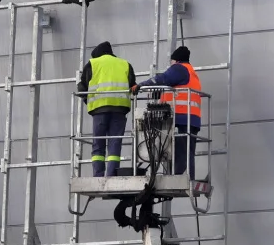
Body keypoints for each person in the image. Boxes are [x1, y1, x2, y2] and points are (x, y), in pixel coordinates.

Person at [134, 45, 202, 179]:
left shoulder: (179, 68)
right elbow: (172, 87)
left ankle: (175, 177)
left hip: (181, 117)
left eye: (171, 61)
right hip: (191, 118)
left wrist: (142, 85)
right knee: (187, 150)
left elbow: (163, 79)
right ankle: (188, 177)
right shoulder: (191, 72)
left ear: (176, 60)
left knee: (178, 150)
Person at [76, 41, 137, 177]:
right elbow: (133, 86)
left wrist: (88, 101)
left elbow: (81, 88)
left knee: (98, 144)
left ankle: (98, 175)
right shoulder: (125, 64)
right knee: (115, 143)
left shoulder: (93, 63)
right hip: (120, 109)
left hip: (99, 109)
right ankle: (112, 174)